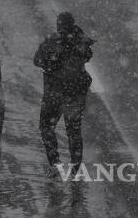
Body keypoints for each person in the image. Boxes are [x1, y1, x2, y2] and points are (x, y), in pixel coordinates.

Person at [34, 12, 95, 176]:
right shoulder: (80, 42)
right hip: (74, 95)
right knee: (73, 131)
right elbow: (87, 55)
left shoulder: (53, 41)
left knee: (47, 127)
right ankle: (75, 167)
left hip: (55, 94)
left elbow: (37, 60)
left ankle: (55, 165)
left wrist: (50, 62)